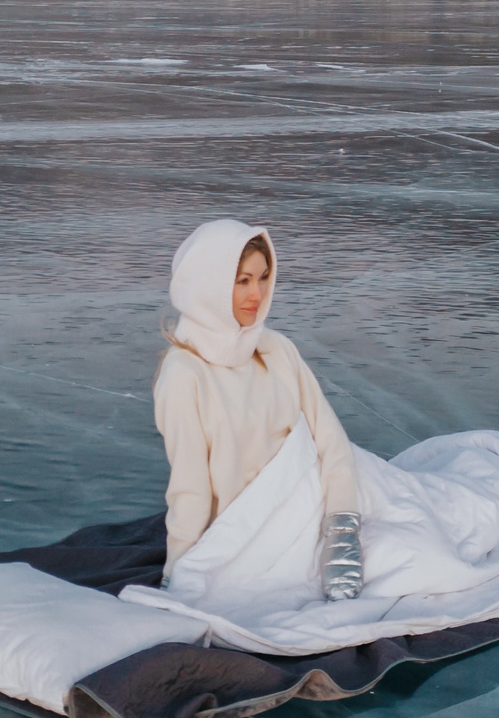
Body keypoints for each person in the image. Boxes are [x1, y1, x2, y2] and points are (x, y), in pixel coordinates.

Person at [153, 219, 365, 598]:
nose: (257, 294)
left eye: (263, 277)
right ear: (208, 285)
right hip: (253, 535)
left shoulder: (275, 349)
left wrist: (343, 532)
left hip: (327, 503)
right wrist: (177, 573)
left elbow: (331, 440)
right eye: (242, 281)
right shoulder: (185, 373)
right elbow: (190, 488)